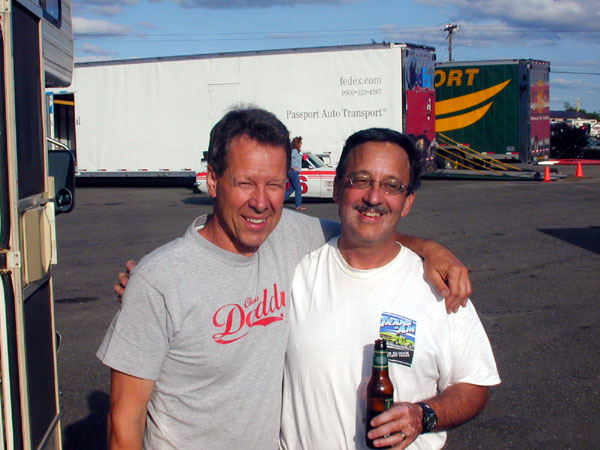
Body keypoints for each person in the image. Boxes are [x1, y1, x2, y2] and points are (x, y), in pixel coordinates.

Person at [102, 107, 471, 449]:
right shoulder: (160, 281)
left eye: (275, 185)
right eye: (245, 183)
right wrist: (146, 283)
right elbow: (123, 424)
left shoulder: (289, 235)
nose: (261, 203)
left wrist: (431, 248)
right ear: (213, 181)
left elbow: (365, 229)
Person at [280, 128, 500, 450]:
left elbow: (474, 383)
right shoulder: (296, 275)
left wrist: (423, 415)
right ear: (337, 189)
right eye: (361, 180)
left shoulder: (441, 287)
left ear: (407, 202)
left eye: (391, 185)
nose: (373, 197)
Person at [284, 136, 306, 210]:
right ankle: (298, 205)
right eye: (300, 142)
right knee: (298, 188)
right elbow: (287, 158)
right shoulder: (294, 151)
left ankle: (280, 200)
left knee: (291, 188)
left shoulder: (296, 151)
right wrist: (291, 167)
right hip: (293, 172)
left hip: (292, 172)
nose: (301, 144)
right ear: (297, 143)